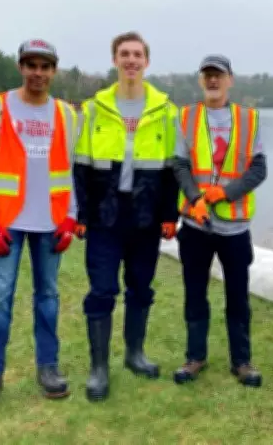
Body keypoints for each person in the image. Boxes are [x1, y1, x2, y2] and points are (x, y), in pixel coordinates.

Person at [0, 39, 80, 409]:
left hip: (51, 224)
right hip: (6, 223)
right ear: (20, 67)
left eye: (45, 66)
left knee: (48, 297)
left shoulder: (67, 114)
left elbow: (73, 169)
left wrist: (72, 216)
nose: (38, 73)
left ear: (54, 71)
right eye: (31, 65)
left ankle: (48, 368)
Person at [72, 31, 181, 402]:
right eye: (124, 54)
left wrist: (170, 214)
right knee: (102, 289)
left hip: (146, 216)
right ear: (115, 60)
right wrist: (81, 213)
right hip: (104, 216)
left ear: (146, 62)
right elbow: (81, 166)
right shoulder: (93, 109)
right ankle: (99, 367)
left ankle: (135, 354)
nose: (131, 60)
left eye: (137, 54)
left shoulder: (166, 111)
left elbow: (172, 168)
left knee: (141, 287)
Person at [172, 54, 267, 387]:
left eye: (219, 75)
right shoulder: (185, 117)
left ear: (230, 80)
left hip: (235, 228)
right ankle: (194, 357)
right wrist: (196, 198)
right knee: (195, 294)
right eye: (207, 75)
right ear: (201, 80)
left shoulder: (249, 119)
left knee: (237, 297)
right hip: (196, 228)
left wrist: (224, 193)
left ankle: (242, 361)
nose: (213, 80)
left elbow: (258, 169)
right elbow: (180, 165)